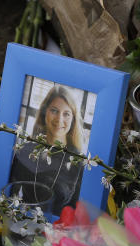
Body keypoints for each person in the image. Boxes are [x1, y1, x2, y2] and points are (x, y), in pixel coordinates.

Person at [9, 86, 86, 214]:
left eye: (66, 114)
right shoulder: (24, 150)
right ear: (45, 113)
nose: (59, 119)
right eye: (54, 111)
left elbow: (77, 211)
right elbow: (10, 194)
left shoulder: (79, 162)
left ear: (73, 119)